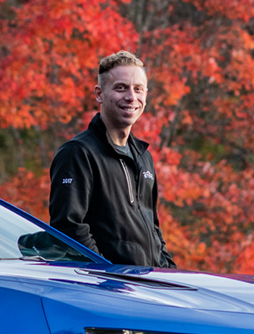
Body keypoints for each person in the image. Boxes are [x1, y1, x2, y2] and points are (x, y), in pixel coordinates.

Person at [48, 50, 175, 267]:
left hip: (146, 282)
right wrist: (109, 274)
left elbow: (153, 230)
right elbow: (69, 229)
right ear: (99, 94)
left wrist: (169, 274)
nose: (131, 97)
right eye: (121, 88)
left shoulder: (144, 157)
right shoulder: (78, 153)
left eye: (138, 89)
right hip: (107, 283)